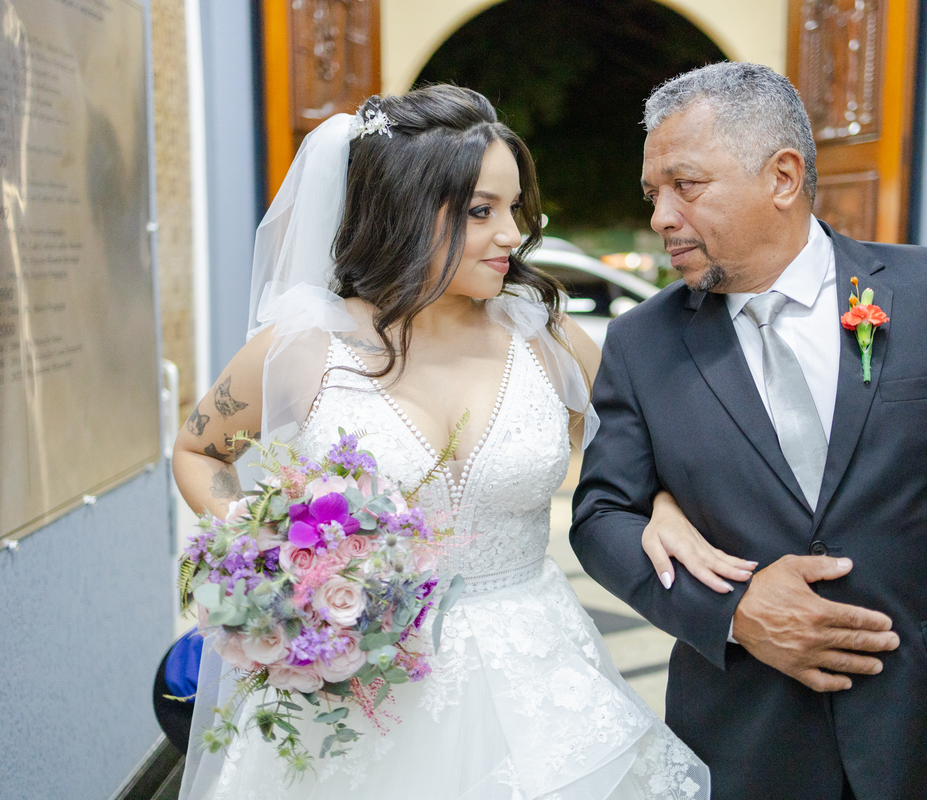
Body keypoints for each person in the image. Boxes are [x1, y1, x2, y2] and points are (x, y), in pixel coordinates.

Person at [570, 63, 927, 800]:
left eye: (684, 186)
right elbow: (599, 518)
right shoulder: (641, 342)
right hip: (742, 744)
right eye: (653, 193)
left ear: (783, 177)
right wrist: (734, 611)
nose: (661, 216)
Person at [171, 85, 711, 799]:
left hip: (537, 679)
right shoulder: (304, 347)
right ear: (400, 211)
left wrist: (665, 505)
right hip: (362, 685)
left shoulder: (546, 339)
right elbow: (199, 452)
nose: (513, 234)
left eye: (515, 208)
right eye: (482, 211)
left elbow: (645, 456)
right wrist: (269, 551)